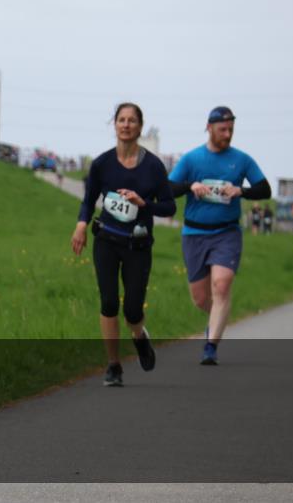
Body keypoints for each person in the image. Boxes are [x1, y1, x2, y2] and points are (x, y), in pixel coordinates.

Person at [71, 103, 176, 386]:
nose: (126, 125)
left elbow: (169, 207)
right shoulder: (102, 164)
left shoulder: (153, 167)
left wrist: (144, 204)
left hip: (137, 246)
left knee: (132, 310)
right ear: (114, 125)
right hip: (106, 240)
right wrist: (81, 225)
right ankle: (113, 365)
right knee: (108, 303)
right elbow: (88, 200)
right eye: (121, 120)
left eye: (131, 120)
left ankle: (139, 337)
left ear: (140, 127)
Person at [169, 106, 272, 365]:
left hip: (227, 232)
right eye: (222, 129)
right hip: (194, 233)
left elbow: (265, 189)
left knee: (222, 284)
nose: (227, 134)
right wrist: (190, 186)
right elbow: (167, 188)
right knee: (201, 298)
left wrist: (241, 191)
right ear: (209, 128)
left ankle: (210, 347)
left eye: (231, 130)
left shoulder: (242, 159)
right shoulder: (191, 159)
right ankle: (219, 314)